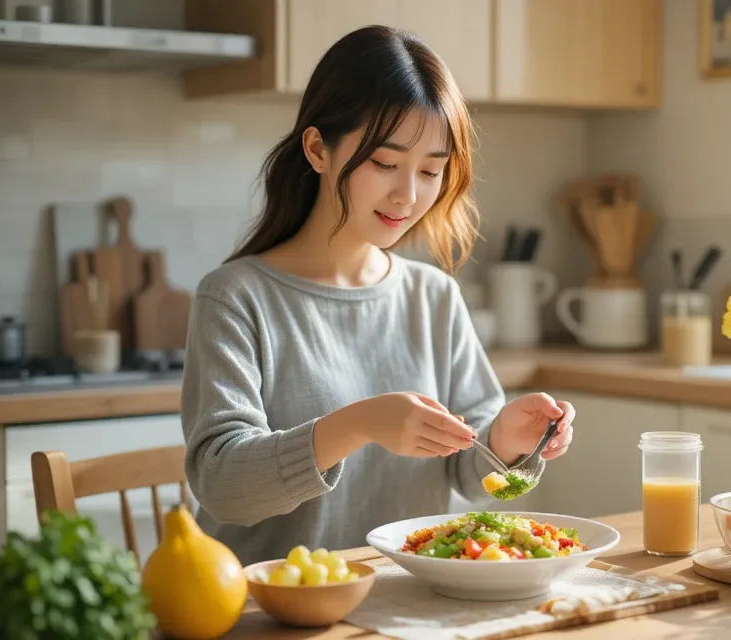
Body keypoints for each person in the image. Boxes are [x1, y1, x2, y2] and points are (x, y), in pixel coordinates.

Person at [179, 25, 576, 566]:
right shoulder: (235, 298)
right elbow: (222, 487)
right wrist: (358, 424)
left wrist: (506, 440)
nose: (408, 195)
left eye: (431, 170)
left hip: (407, 596)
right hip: (274, 602)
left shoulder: (433, 296)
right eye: (385, 164)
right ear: (318, 149)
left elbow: (478, 479)